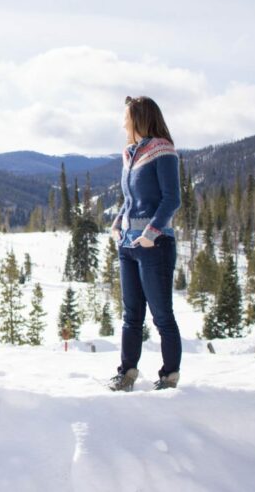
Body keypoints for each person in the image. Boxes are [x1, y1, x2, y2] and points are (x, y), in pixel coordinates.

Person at [107, 96, 182, 392]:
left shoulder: (162, 150)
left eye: (125, 115)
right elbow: (131, 200)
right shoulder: (131, 154)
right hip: (128, 245)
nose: (122, 121)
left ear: (137, 118)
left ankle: (169, 375)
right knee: (131, 315)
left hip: (155, 246)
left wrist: (150, 233)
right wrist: (118, 223)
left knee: (162, 315)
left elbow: (171, 199)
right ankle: (127, 373)